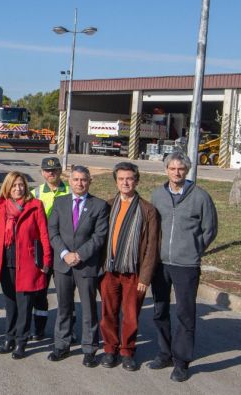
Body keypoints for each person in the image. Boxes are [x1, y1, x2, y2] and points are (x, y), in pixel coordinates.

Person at [149, 152, 217, 382]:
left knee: (185, 314)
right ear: (166, 170)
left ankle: (181, 361)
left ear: (186, 171)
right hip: (160, 263)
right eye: (172, 168)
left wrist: (195, 249)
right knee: (159, 310)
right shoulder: (157, 195)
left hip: (186, 264)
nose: (176, 172)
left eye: (180, 169)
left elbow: (210, 229)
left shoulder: (200, 196)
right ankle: (164, 352)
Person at [47, 165, 109, 368]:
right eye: (75, 179)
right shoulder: (59, 202)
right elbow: (53, 232)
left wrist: (80, 255)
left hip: (86, 265)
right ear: (70, 181)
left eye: (83, 180)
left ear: (89, 181)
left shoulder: (99, 206)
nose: (79, 183)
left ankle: (90, 348)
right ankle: (62, 344)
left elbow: (99, 237)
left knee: (89, 309)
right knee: (64, 307)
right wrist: (65, 254)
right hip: (63, 264)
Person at [100, 162, 159, 372]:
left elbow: (152, 246)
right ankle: (110, 349)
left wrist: (145, 277)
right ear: (116, 181)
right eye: (121, 179)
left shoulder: (148, 210)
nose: (125, 182)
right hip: (109, 270)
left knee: (131, 314)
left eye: (130, 178)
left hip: (134, 273)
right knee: (109, 312)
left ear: (136, 180)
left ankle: (127, 351)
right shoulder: (106, 206)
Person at [0, 171, 52, 359]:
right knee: (10, 303)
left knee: (24, 305)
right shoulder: (1, 206)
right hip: (6, 263)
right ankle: (8, 338)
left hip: (27, 263)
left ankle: (21, 342)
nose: (18, 188)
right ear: (7, 188)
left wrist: (46, 260)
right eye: (14, 185)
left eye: (21, 185)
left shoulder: (35, 206)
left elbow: (44, 235)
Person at [30, 156, 69, 341]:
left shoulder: (70, 191)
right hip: (43, 251)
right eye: (47, 170)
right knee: (40, 292)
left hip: (64, 250)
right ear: (42, 172)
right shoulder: (35, 193)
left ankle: (67, 331)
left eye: (54, 170)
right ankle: (38, 329)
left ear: (60, 170)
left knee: (66, 293)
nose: (51, 173)